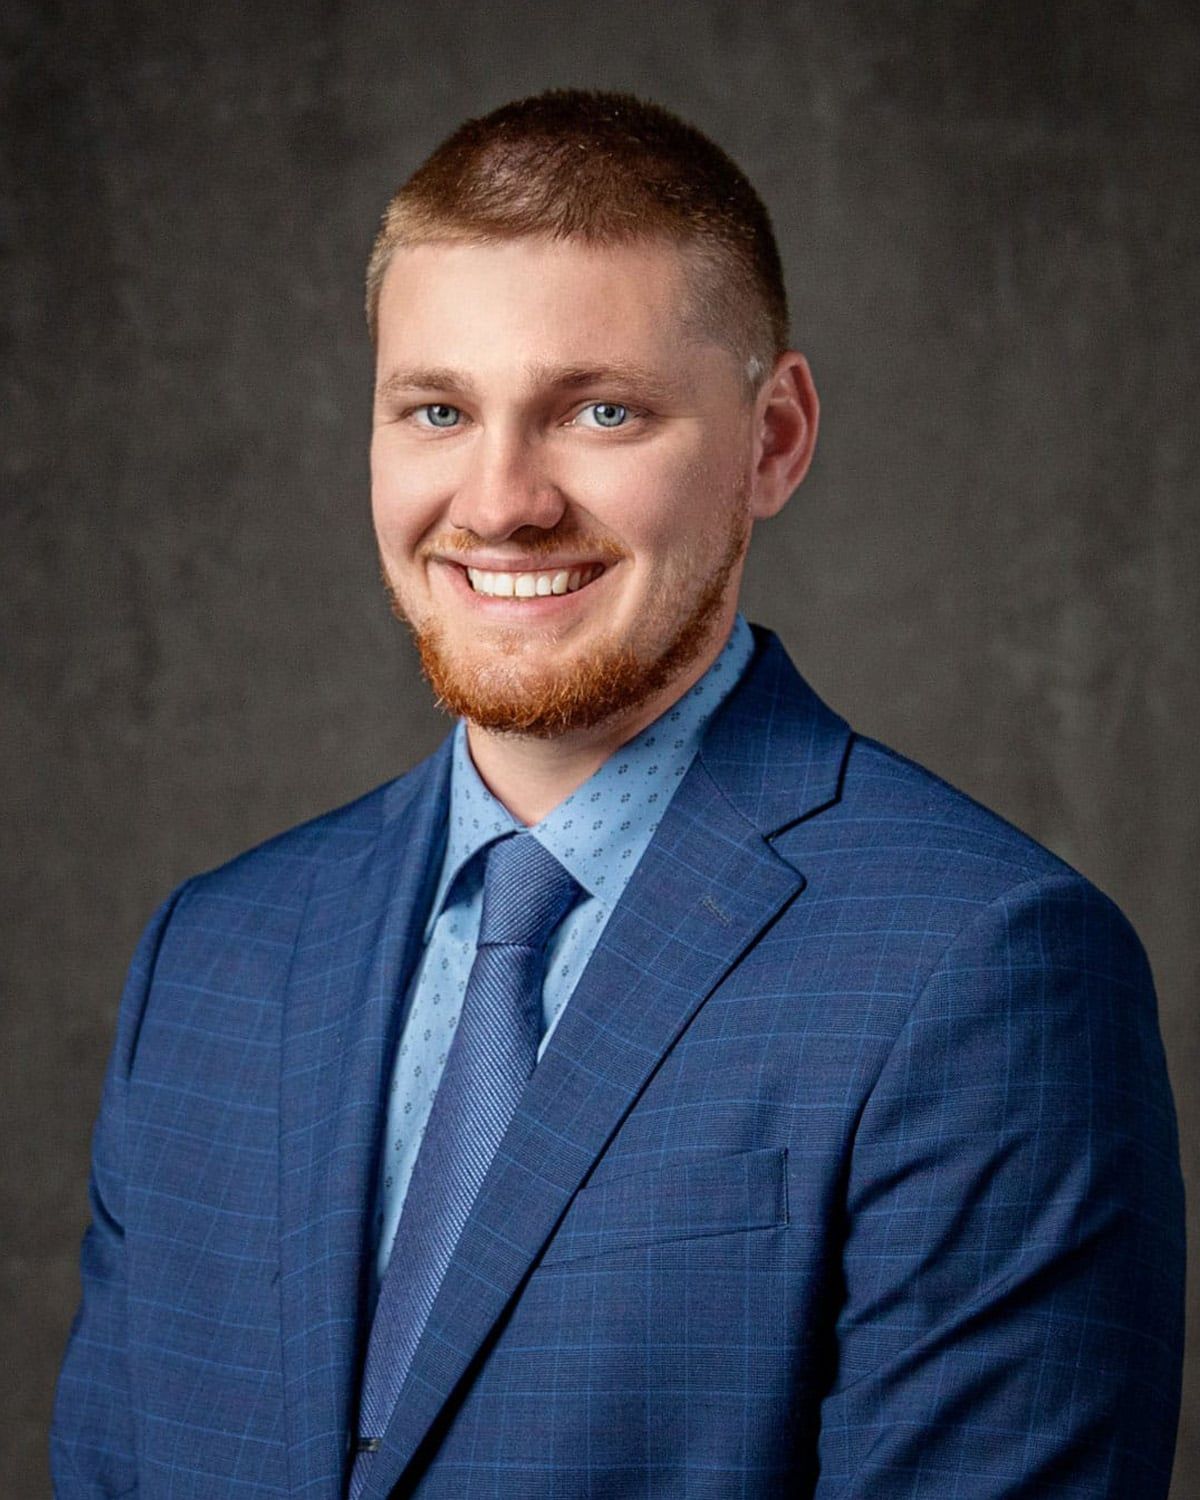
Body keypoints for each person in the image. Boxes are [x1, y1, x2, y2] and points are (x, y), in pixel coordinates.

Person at [52, 89, 1185, 1499]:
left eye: (600, 410)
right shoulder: (212, 960)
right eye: (437, 409)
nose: (501, 499)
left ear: (774, 439)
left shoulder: (988, 971)